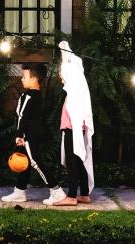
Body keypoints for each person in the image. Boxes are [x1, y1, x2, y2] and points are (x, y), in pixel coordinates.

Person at [1, 63, 66, 204]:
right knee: (25, 161)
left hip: (29, 135)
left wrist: (19, 135)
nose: (21, 79)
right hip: (32, 133)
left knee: (35, 161)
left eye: (24, 77)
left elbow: (22, 116)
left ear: (34, 79)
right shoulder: (37, 95)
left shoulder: (29, 95)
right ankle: (19, 192)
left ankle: (56, 191)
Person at [48, 41, 95, 206]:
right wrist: (64, 51)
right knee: (77, 160)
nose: (60, 77)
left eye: (62, 74)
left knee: (72, 161)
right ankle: (85, 193)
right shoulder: (75, 90)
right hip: (73, 128)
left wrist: (65, 53)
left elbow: (75, 114)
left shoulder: (74, 91)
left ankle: (72, 195)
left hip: (72, 129)